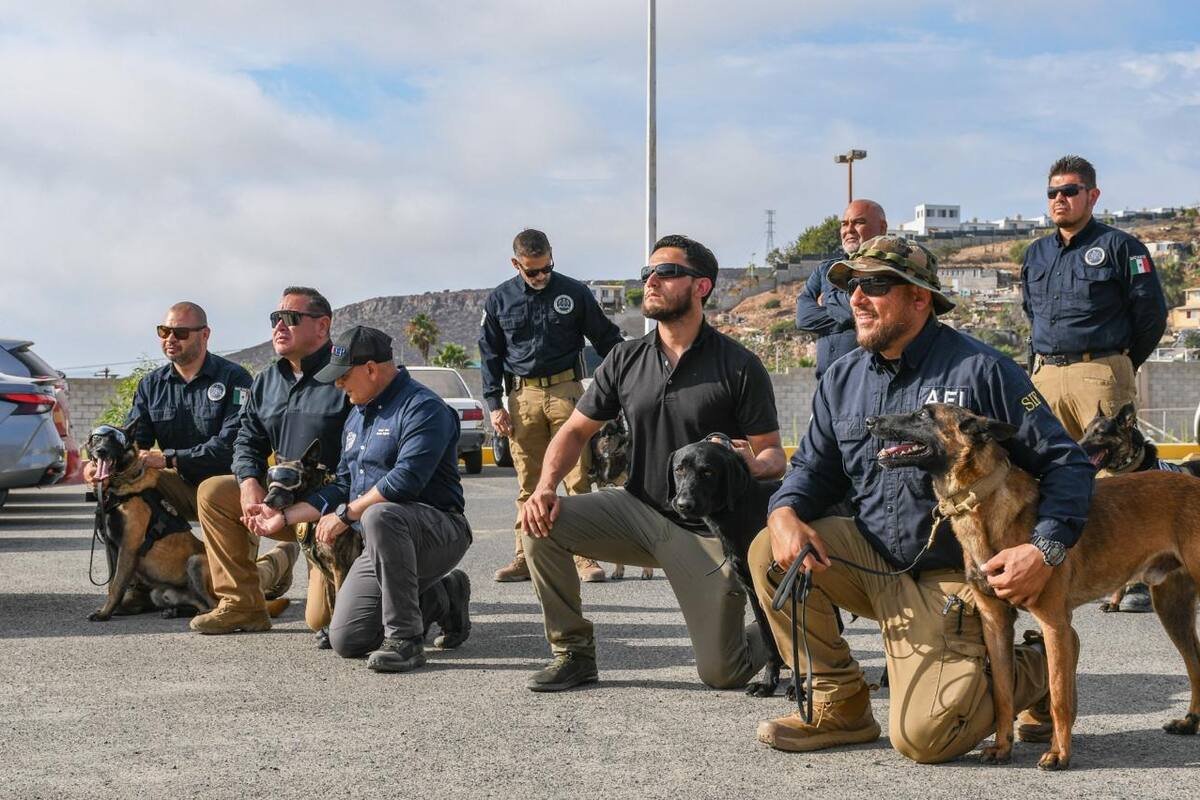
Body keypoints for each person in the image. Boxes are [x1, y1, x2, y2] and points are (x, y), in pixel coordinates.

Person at [749, 235, 1095, 763]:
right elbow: (812, 472)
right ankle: (840, 706)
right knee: (769, 552)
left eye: (874, 285)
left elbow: (1065, 462)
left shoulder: (983, 370)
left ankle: (1036, 669)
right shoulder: (841, 378)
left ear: (919, 299)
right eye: (849, 286)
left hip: (953, 576)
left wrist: (1043, 550)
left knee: (926, 740)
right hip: (874, 562)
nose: (856, 298)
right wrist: (783, 511)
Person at [520, 234, 786, 692]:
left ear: (700, 286)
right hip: (637, 510)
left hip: (706, 535)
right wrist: (545, 487)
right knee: (538, 523)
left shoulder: (738, 365)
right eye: (648, 273)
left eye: (666, 272)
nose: (651, 281)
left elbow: (773, 456)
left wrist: (748, 464)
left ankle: (781, 635)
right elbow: (575, 430)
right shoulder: (626, 357)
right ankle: (573, 654)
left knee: (722, 673)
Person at [249, 326, 472, 673]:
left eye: (343, 376)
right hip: (380, 542)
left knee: (379, 515)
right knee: (349, 639)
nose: (338, 385)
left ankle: (406, 640)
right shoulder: (357, 414)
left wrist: (347, 514)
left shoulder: (423, 408)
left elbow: (405, 480)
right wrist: (286, 516)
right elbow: (344, 484)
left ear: (370, 369)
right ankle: (442, 597)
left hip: (437, 530)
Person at [1021, 155, 1168, 612]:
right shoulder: (1036, 254)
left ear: (1092, 195)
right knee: (1046, 468)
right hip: (1045, 372)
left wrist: (1119, 365)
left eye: (1069, 191)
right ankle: (1056, 560)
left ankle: (1141, 575)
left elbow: (1151, 315)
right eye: (1053, 192)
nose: (1059, 199)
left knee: (1120, 472)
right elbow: (1031, 314)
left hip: (1099, 368)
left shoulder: (1122, 247)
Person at [85, 301, 298, 601]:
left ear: (205, 334)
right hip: (180, 485)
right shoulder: (151, 385)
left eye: (181, 332)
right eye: (164, 331)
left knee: (230, 589)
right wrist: (100, 465)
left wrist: (170, 458)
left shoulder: (235, 380)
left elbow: (231, 446)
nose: (170, 339)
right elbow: (135, 443)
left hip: (230, 489)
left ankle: (278, 562)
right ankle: (136, 587)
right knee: (121, 488)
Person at [190, 287, 351, 636]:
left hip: (331, 513)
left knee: (321, 623)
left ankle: (282, 563)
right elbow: (246, 440)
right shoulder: (267, 381)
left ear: (322, 326)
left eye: (291, 318)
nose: (279, 326)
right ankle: (243, 606)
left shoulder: (344, 377)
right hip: (279, 500)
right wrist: (249, 483)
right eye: (275, 318)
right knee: (215, 491)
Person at [480, 228, 625, 584]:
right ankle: (524, 557)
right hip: (521, 398)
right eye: (533, 271)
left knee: (577, 480)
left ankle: (586, 558)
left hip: (568, 393)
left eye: (547, 267)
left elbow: (607, 339)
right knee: (529, 483)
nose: (541, 276)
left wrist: (632, 376)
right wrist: (493, 404)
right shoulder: (499, 300)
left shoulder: (574, 293)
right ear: (516, 264)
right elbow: (490, 354)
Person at [796, 200, 889, 378]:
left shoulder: (887, 269)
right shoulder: (825, 270)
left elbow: (876, 310)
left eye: (858, 222)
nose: (849, 230)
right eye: (844, 224)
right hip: (825, 386)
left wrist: (827, 300)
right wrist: (854, 318)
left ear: (882, 227)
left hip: (866, 383)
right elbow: (803, 317)